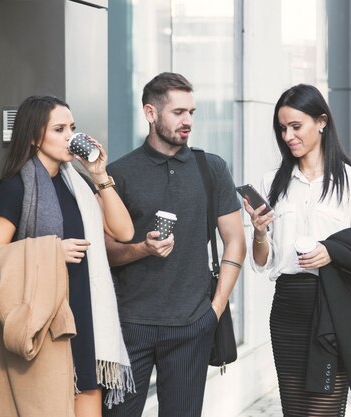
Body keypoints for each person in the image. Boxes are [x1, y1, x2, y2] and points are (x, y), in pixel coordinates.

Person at [0, 95, 135, 417]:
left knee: (88, 396)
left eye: (73, 128)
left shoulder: (75, 183)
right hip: (46, 321)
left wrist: (98, 174)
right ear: (35, 136)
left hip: (84, 313)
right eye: (59, 129)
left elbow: (124, 233)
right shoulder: (14, 187)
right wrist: (52, 251)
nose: (71, 137)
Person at [102, 72, 246, 417]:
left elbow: (236, 241)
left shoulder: (211, 168)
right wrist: (142, 249)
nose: (188, 121)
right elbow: (104, 251)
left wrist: (215, 310)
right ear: (151, 113)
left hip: (191, 324)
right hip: (129, 326)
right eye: (178, 112)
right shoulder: (118, 174)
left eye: (192, 112)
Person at [244, 84, 351, 417]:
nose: (287, 135)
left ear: (321, 122)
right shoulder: (271, 183)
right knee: (295, 412)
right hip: (288, 308)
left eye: (296, 126)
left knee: (322, 412)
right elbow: (262, 262)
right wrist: (259, 231)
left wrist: (332, 252)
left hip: (333, 305)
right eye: (282, 128)